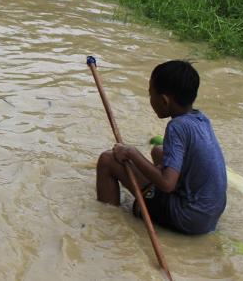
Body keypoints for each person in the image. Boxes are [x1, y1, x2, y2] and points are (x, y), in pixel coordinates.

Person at [95, 60, 227, 235]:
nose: (150, 99)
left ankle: (107, 222)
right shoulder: (200, 119)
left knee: (107, 159)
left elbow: (166, 184)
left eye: (151, 94)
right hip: (209, 214)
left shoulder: (177, 127)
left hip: (188, 217)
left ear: (164, 100)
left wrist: (131, 153)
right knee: (158, 151)